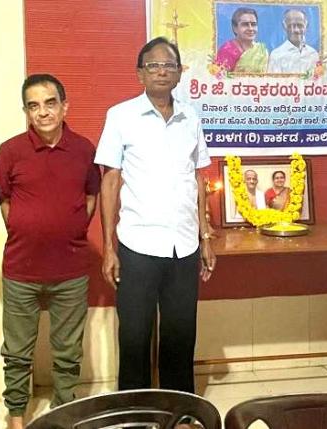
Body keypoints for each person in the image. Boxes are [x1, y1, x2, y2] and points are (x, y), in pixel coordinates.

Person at [97, 37, 216, 393]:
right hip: (138, 245)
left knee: (181, 336)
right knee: (134, 337)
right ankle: (136, 411)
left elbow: (198, 177)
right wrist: (109, 247)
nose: (162, 71)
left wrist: (205, 236)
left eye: (169, 65)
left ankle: (178, 409)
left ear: (179, 73)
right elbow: (110, 180)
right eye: (153, 65)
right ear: (140, 74)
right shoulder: (121, 116)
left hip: (184, 246)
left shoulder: (190, 117)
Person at [0, 73, 100, 429]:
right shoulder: (10, 151)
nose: (42, 112)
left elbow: (91, 196)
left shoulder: (84, 149)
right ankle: (16, 417)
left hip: (71, 271)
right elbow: (4, 200)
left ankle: (63, 414)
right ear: (26, 111)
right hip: (21, 270)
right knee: (16, 353)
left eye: (50, 103)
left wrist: (70, 230)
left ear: (64, 106)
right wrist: (26, 228)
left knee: (68, 353)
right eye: (33, 106)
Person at [215, 7, 268, 73]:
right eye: (245, 24)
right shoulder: (227, 51)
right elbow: (219, 77)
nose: (250, 28)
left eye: (253, 24)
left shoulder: (262, 51)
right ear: (235, 28)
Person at [267, 8, 319, 73]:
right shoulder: (276, 55)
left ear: (306, 26)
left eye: (300, 25)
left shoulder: (313, 54)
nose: (296, 30)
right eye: (291, 26)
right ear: (284, 26)